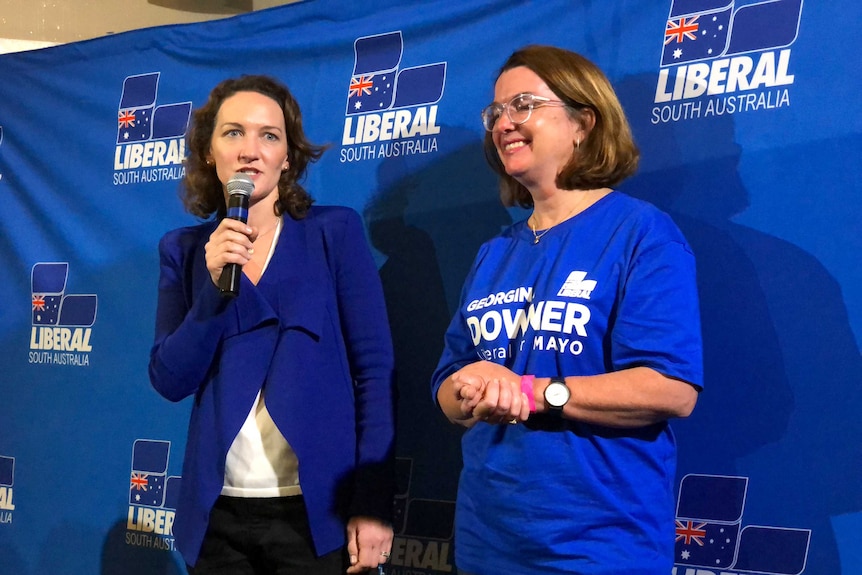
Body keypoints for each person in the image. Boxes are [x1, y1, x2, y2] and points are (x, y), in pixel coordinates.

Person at [431, 46, 703, 575]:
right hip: (489, 542)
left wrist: (536, 393)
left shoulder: (640, 234)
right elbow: (446, 387)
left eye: (524, 105)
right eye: (496, 113)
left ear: (583, 121)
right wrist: (471, 386)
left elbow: (671, 388)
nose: (504, 122)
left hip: (599, 545)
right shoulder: (494, 253)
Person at [149, 74, 395, 574]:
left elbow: (375, 372)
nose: (250, 150)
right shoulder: (185, 251)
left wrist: (371, 502)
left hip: (316, 513)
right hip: (218, 518)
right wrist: (213, 292)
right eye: (233, 133)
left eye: (269, 135)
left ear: (288, 157)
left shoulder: (334, 232)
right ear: (208, 152)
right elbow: (170, 379)